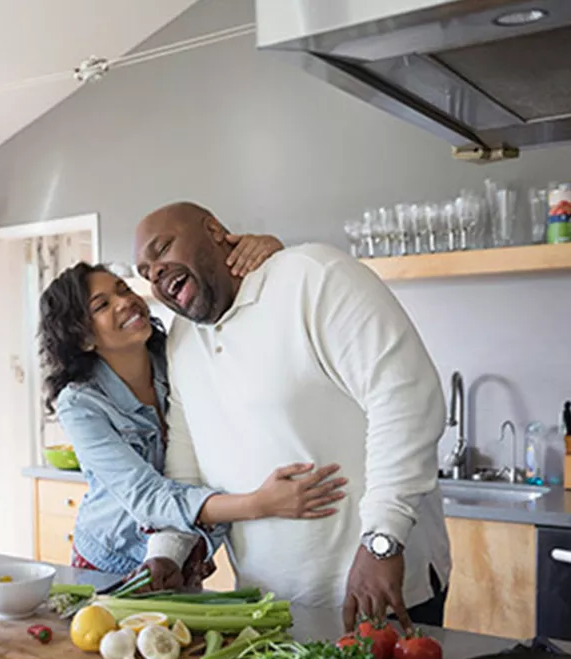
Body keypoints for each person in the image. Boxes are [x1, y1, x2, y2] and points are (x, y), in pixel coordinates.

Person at [134, 203, 452, 630]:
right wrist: (168, 551)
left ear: (214, 228)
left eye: (163, 248)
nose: (155, 272)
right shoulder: (182, 339)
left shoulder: (314, 277)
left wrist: (383, 541)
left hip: (379, 588)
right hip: (265, 605)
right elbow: (188, 462)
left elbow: (406, 400)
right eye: (144, 270)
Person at [38, 236, 348, 589]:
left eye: (124, 289)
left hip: (183, 550)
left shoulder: (179, 355)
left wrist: (266, 253)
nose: (125, 302)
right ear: (83, 338)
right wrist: (259, 504)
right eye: (102, 305)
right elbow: (149, 496)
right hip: (112, 560)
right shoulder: (80, 404)